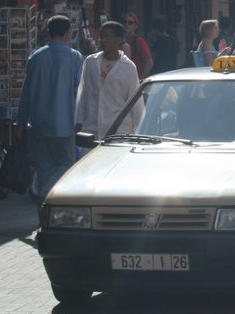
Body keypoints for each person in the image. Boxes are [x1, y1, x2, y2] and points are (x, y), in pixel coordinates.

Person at [15, 15, 84, 208]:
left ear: (47, 30)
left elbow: (26, 93)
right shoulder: (74, 57)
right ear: (67, 33)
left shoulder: (36, 57)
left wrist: (21, 122)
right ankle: (46, 193)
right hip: (65, 123)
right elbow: (78, 91)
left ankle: (43, 210)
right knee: (67, 165)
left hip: (39, 123)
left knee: (44, 167)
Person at [76, 21, 143, 138]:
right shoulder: (91, 62)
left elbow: (135, 103)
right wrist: (78, 122)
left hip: (118, 130)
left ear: (119, 39)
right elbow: (82, 94)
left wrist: (139, 131)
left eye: (108, 37)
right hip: (92, 127)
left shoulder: (128, 67)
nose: (103, 40)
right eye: (101, 37)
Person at [122, 12, 154, 78]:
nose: (127, 24)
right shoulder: (118, 39)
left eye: (130, 22)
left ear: (135, 26)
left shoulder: (139, 41)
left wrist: (140, 79)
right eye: (124, 22)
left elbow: (149, 62)